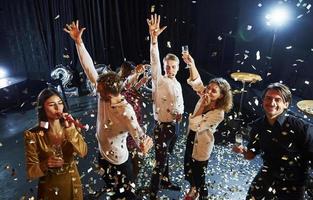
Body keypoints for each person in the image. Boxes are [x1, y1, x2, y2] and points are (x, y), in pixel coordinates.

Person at [64, 20, 153, 200]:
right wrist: (79, 43)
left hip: (120, 163)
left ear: (112, 93)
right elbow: (89, 68)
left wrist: (144, 145)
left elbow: (139, 135)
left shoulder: (126, 111)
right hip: (103, 156)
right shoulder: (103, 92)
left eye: (100, 91)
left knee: (127, 196)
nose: (97, 91)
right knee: (111, 191)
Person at [233, 82, 313, 200]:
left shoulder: (302, 128)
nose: (272, 103)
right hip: (267, 175)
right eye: (268, 98)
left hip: (294, 183)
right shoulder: (258, 126)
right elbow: (250, 155)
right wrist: (242, 151)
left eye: (277, 99)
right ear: (263, 101)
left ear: (286, 104)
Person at [182, 53, 233, 199]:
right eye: (209, 88)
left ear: (221, 96)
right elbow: (196, 82)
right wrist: (192, 64)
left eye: (213, 91)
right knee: (189, 167)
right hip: (191, 137)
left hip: (202, 144)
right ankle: (192, 189)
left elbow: (195, 124)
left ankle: (201, 194)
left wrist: (202, 107)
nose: (208, 91)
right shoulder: (205, 94)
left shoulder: (219, 113)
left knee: (199, 174)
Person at [24, 88, 88, 200]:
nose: (58, 108)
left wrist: (71, 131)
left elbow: (83, 152)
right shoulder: (33, 134)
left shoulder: (71, 125)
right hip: (50, 189)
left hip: (73, 184)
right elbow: (31, 172)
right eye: (51, 105)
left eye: (60, 103)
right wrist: (45, 164)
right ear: (42, 108)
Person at [146, 14, 184, 199]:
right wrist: (154, 40)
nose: (170, 69)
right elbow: (154, 60)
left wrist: (181, 115)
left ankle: (166, 181)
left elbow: (180, 103)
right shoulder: (159, 80)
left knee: (167, 157)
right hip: (162, 127)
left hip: (175, 127)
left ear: (177, 67)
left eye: (173, 66)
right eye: (167, 66)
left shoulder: (177, 83)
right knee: (159, 161)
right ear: (163, 66)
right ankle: (153, 191)